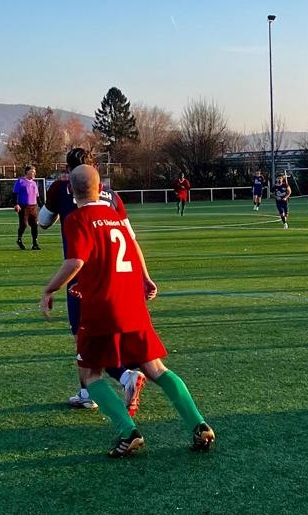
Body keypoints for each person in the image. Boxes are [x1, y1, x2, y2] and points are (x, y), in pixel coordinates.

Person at [40, 164, 215, 457]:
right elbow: (131, 247)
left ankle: (127, 431)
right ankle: (199, 424)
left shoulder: (77, 219)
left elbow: (76, 262)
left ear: (71, 191)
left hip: (102, 309)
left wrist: (49, 289)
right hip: (133, 302)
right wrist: (145, 278)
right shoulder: (116, 216)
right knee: (156, 368)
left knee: (89, 374)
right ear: (101, 189)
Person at [39, 148, 146, 412]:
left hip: (84, 277)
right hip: (121, 276)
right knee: (116, 336)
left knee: (84, 339)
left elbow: (42, 222)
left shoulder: (63, 189)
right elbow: (131, 238)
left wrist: (50, 288)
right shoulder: (111, 195)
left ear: (68, 170)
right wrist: (145, 277)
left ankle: (109, 383)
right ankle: (125, 376)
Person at [13, 165, 41, 250]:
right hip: (23, 207)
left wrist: (41, 205)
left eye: (34, 172)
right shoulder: (20, 181)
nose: (34, 173)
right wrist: (16, 204)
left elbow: (37, 196)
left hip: (33, 206)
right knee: (24, 225)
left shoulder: (34, 183)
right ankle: (19, 239)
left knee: (34, 225)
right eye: (32, 171)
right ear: (27, 172)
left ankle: (35, 243)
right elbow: (14, 193)